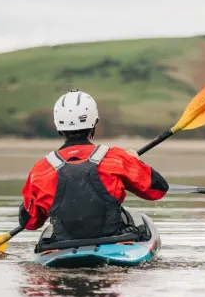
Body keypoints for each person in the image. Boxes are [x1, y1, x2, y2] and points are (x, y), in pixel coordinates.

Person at [18, 89, 169, 240]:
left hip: (64, 243)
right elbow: (158, 189)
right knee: (138, 220)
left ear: (59, 126)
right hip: (111, 239)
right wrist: (134, 161)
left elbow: (29, 222)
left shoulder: (41, 169)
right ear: (94, 123)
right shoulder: (116, 158)